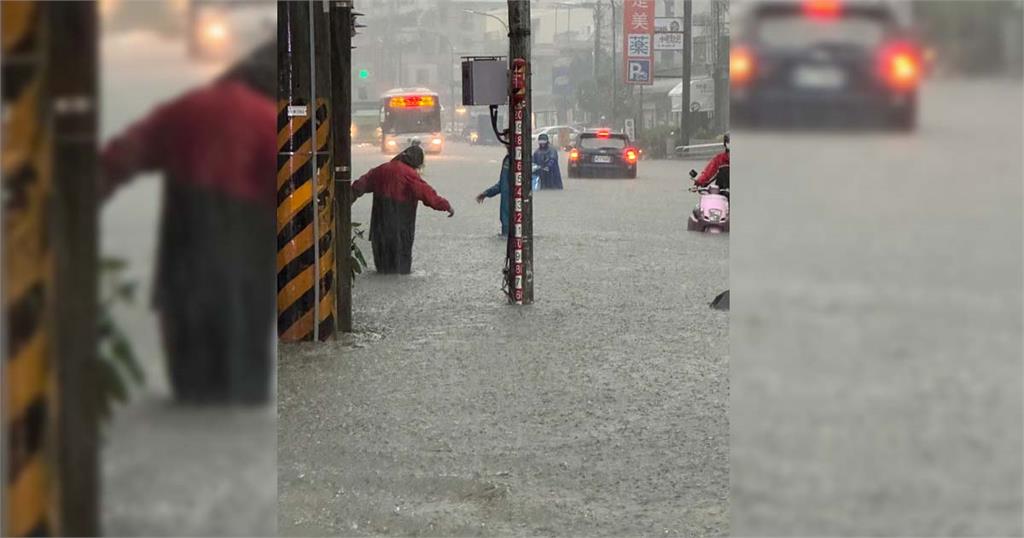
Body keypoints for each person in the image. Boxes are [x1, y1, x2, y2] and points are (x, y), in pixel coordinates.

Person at [99, 41, 276, 405]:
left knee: (186, 322)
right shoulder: (265, 118)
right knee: (244, 329)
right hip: (245, 234)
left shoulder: (184, 108)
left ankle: (193, 393)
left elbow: (123, 155)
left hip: (184, 231)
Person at [352, 145, 454, 274]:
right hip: (400, 226)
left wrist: (347, 198)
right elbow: (427, 195)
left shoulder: (381, 169)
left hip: (379, 225)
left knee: (382, 266)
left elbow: (360, 185)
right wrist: (446, 206)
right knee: (400, 267)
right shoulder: (409, 174)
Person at [476, 153, 511, 237]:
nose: (506, 143)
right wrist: (487, 193)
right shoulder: (507, 158)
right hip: (506, 223)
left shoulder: (519, 159)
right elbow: (503, 184)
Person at [694, 132, 730, 197]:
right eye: (728, 142)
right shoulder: (719, 159)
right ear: (725, 144)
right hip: (721, 195)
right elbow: (708, 172)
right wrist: (698, 183)